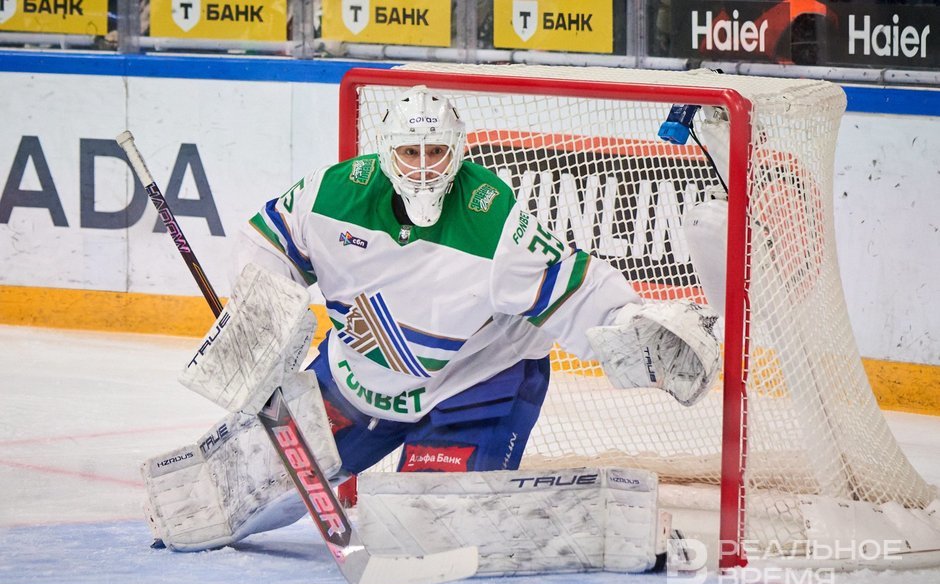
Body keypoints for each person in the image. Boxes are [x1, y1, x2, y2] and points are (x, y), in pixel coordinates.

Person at [141, 86, 720, 553]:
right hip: (355, 380)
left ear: (458, 151)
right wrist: (263, 320)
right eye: (410, 154)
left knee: (428, 529)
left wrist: (630, 321)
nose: (422, 169)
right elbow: (267, 239)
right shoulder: (332, 194)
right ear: (385, 154)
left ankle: (606, 520)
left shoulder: (491, 219)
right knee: (213, 497)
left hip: (472, 385)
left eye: (435, 153)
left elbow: (572, 283)